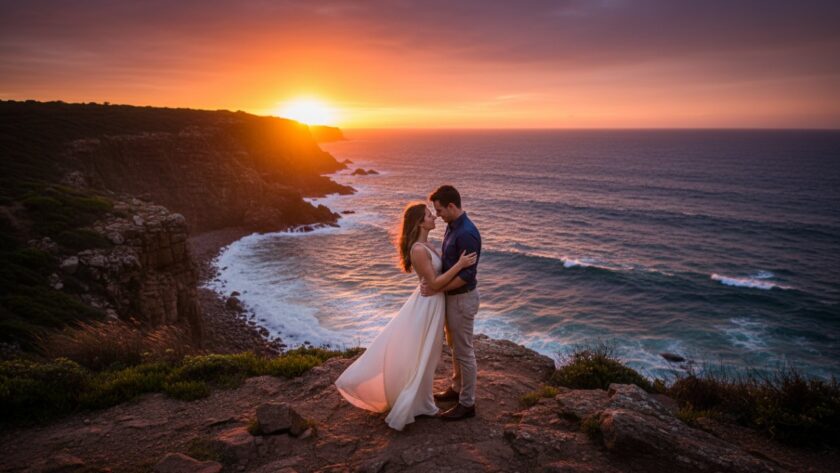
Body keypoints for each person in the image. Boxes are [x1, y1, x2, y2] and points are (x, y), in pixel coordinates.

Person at [334, 202, 477, 431]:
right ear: (420, 222)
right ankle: (413, 401)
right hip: (427, 305)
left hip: (434, 303)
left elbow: (435, 281)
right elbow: (434, 283)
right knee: (423, 354)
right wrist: (460, 265)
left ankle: (422, 400)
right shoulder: (418, 250)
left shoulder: (426, 244)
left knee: (428, 355)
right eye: (430, 215)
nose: (434, 218)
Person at [422, 185, 482, 420]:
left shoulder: (466, 232)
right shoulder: (452, 227)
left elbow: (466, 275)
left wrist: (437, 287)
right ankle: (457, 389)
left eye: (439, 210)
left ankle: (467, 404)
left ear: (452, 206)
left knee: (464, 351)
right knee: (455, 347)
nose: (438, 215)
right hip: (451, 298)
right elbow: (449, 262)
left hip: (462, 299)